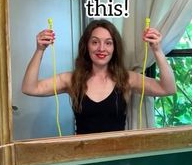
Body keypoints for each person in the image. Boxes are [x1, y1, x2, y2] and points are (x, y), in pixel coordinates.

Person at [22, 19, 176, 134]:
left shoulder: (127, 79)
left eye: (108, 43)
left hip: (117, 160)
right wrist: (40, 50)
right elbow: (30, 88)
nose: (101, 48)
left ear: (114, 48)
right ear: (86, 46)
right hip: (82, 160)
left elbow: (168, 88)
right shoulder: (71, 79)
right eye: (95, 42)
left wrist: (157, 50)